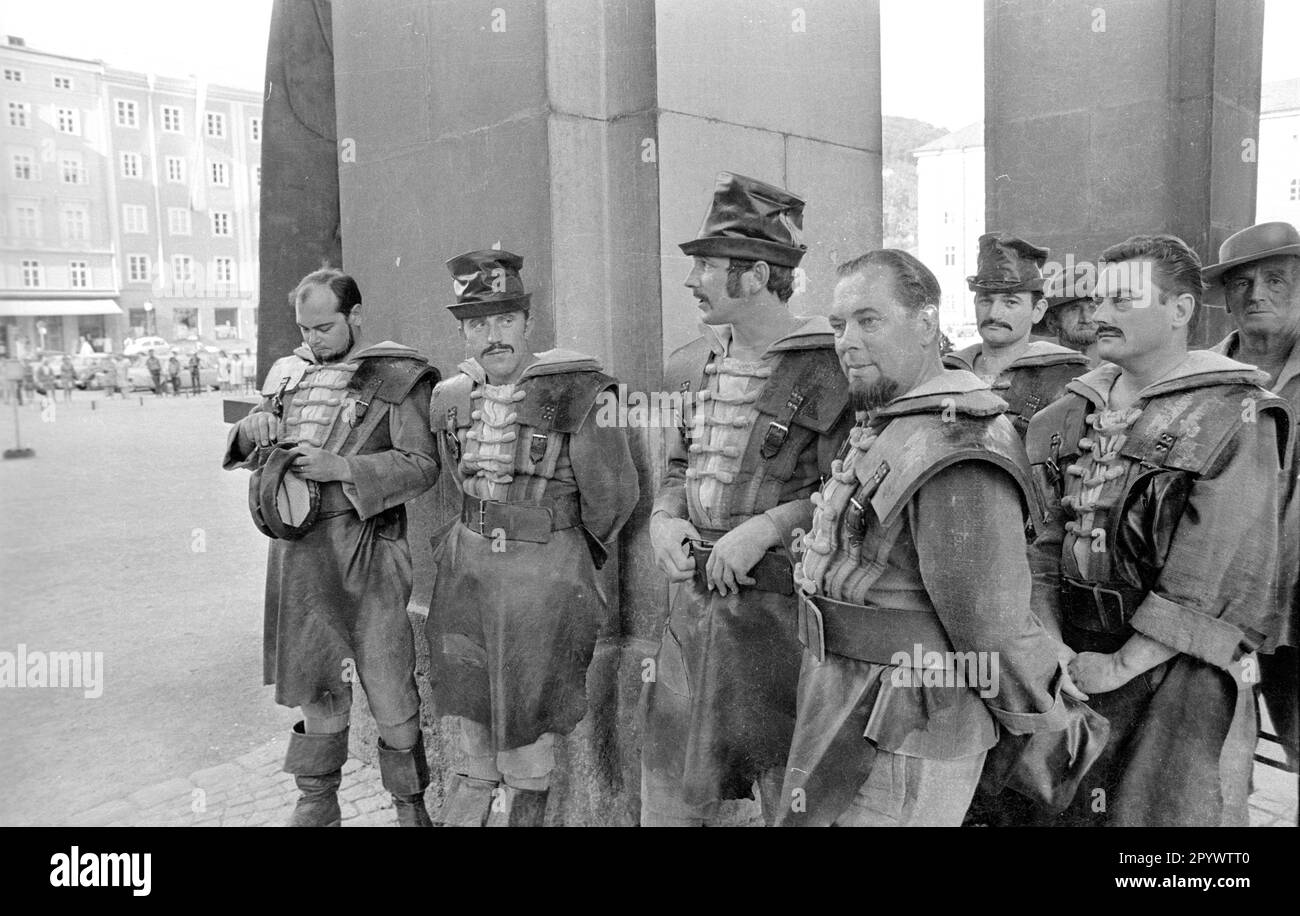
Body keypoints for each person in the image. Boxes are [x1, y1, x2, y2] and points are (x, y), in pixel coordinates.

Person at [774, 250, 1092, 826]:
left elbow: (990, 625)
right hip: (854, 701)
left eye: (869, 320)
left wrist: (1049, 718)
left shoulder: (957, 442)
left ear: (925, 323)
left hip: (908, 726)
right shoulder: (902, 417)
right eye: (838, 324)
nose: (847, 340)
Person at [1026, 234, 1290, 826]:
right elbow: (1042, 541)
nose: (1100, 314)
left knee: (1166, 837)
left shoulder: (1235, 413)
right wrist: (1053, 646)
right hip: (1071, 662)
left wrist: (1119, 667)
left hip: (1180, 676)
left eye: (1123, 299)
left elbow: (1216, 569)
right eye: (1098, 300)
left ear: (1180, 310)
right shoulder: (1067, 413)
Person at [640, 172, 853, 826]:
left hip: (779, 630)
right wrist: (662, 517)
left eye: (706, 265)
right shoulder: (696, 363)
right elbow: (678, 464)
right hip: (691, 619)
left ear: (758, 275)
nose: (691, 280)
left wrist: (766, 527)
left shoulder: (833, 366)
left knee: (780, 798)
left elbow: (848, 492)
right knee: (669, 797)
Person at [427, 249, 639, 827]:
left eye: (503, 320)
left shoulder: (580, 391)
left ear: (527, 323)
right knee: (472, 719)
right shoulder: (452, 399)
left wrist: (558, 552)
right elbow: (457, 479)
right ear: (464, 333)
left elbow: (614, 496)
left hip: (543, 579)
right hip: (467, 575)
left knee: (526, 732)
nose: (491, 336)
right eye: (476, 323)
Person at [223, 268, 442, 827]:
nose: (312, 340)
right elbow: (257, 456)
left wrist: (342, 467)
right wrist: (253, 431)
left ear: (356, 316)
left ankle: (410, 808)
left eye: (324, 327)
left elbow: (422, 467)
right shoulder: (287, 375)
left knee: (391, 689)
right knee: (316, 685)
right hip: (299, 560)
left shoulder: (399, 376)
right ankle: (317, 803)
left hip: (369, 554)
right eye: (305, 329)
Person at [1204, 221, 1300, 773]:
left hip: (1297, 610)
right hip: (1219, 611)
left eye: (1276, 280)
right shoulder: (1202, 378)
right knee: (1215, 759)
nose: (1256, 293)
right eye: (1241, 283)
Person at [943, 233, 1089, 438]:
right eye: (986, 300)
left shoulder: (1066, 378)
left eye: (1010, 302)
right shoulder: (947, 374)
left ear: (1038, 310)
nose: (994, 314)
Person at [1037, 263, 1100, 366]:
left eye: (1093, 306)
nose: (1086, 319)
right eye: (1074, 309)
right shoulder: (1040, 375)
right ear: (1052, 322)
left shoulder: (1126, 371)